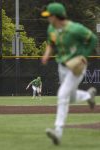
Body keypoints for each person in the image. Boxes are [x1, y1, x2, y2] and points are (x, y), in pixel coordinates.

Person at [41, 2, 97, 145]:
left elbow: (92, 39)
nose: (48, 18)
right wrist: (47, 54)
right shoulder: (52, 29)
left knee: (62, 94)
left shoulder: (75, 29)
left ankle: (58, 132)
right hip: (63, 66)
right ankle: (88, 95)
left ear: (56, 16)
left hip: (77, 66)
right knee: (70, 97)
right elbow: (51, 43)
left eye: (49, 16)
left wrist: (84, 56)